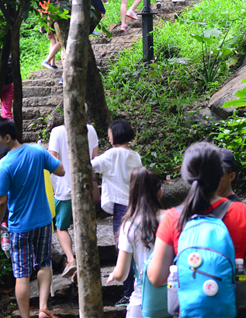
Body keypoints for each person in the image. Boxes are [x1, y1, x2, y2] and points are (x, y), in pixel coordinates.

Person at [147, 142, 246, 318]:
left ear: (186, 176)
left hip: (191, 312)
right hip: (237, 310)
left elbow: (157, 277)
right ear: (220, 174)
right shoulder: (241, 213)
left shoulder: (173, 218)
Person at [0, 118, 65, 318]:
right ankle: (42, 308)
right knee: (44, 263)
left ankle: (25, 317)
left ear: (7, 137)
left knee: (22, 274)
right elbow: (61, 170)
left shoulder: (4, 165)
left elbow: (0, 202)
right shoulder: (38, 151)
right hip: (43, 222)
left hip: (19, 227)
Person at [92, 118, 143, 307]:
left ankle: (128, 293)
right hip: (136, 205)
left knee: (124, 249)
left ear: (115, 135)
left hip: (121, 208)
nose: (108, 136)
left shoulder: (112, 154)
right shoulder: (135, 155)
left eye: (109, 133)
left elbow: (91, 164)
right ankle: (137, 289)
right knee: (135, 248)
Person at [105, 167, 166, 318]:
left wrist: (114, 275)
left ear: (132, 195)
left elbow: (122, 274)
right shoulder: (173, 219)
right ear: (160, 192)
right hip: (174, 296)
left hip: (143, 299)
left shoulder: (129, 226)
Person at [48, 123, 100, 279]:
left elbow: (52, 158)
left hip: (64, 188)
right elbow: (95, 159)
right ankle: (86, 262)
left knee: (61, 227)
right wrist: (95, 182)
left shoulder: (57, 131)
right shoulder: (90, 129)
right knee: (84, 225)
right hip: (85, 187)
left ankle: (71, 260)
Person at [39, 0, 63, 71]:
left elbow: (41, 9)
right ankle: (47, 61)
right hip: (51, 16)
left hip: (45, 16)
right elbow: (50, 9)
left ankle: (52, 64)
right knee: (60, 40)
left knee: (53, 40)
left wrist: (42, 24)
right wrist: (49, 26)